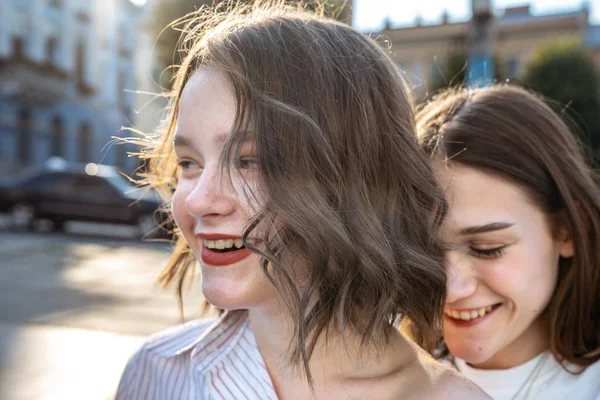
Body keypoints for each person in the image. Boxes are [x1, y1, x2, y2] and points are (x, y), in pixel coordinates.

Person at [115, 1, 488, 399]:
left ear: (356, 176)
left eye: (250, 161)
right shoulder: (156, 372)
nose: (197, 200)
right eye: (189, 163)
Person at [416, 84, 600, 400]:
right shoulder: (371, 373)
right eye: (424, 248)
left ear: (568, 230)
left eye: (487, 249)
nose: (450, 287)